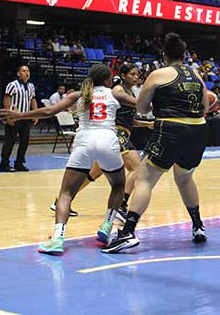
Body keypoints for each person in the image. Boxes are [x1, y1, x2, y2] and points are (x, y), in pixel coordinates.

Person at [0, 64, 130, 255]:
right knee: (118, 186)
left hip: (84, 141)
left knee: (66, 193)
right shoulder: (115, 94)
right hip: (108, 140)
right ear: (107, 79)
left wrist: (20, 115)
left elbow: (48, 111)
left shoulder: (78, 95)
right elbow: (145, 105)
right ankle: (107, 225)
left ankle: (58, 238)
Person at [103, 33, 210, 253]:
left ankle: (127, 233)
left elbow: (142, 109)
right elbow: (206, 106)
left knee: (144, 179)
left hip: (170, 128)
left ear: (164, 56)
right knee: (184, 177)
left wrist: (157, 105)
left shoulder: (158, 74)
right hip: (198, 130)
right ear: (184, 55)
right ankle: (198, 226)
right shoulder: (196, 74)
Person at [49, 65, 149, 230]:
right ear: (121, 76)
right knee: (136, 168)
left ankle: (59, 203)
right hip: (113, 134)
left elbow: (127, 118)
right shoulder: (116, 90)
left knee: (92, 174)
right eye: (132, 74)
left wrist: (146, 124)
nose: (136, 77)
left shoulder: (126, 93)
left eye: (138, 74)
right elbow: (132, 110)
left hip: (96, 138)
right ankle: (121, 206)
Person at [0, 65, 38, 172]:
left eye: (28, 71)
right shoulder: (12, 85)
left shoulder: (31, 86)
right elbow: (6, 99)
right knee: (10, 141)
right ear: (18, 73)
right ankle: (4, 164)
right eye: (24, 71)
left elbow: (33, 100)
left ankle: (19, 163)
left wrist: (35, 114)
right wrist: (8, 116)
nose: (27, 73)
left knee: (24, 141)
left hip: (25, 118)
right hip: (14, 117)